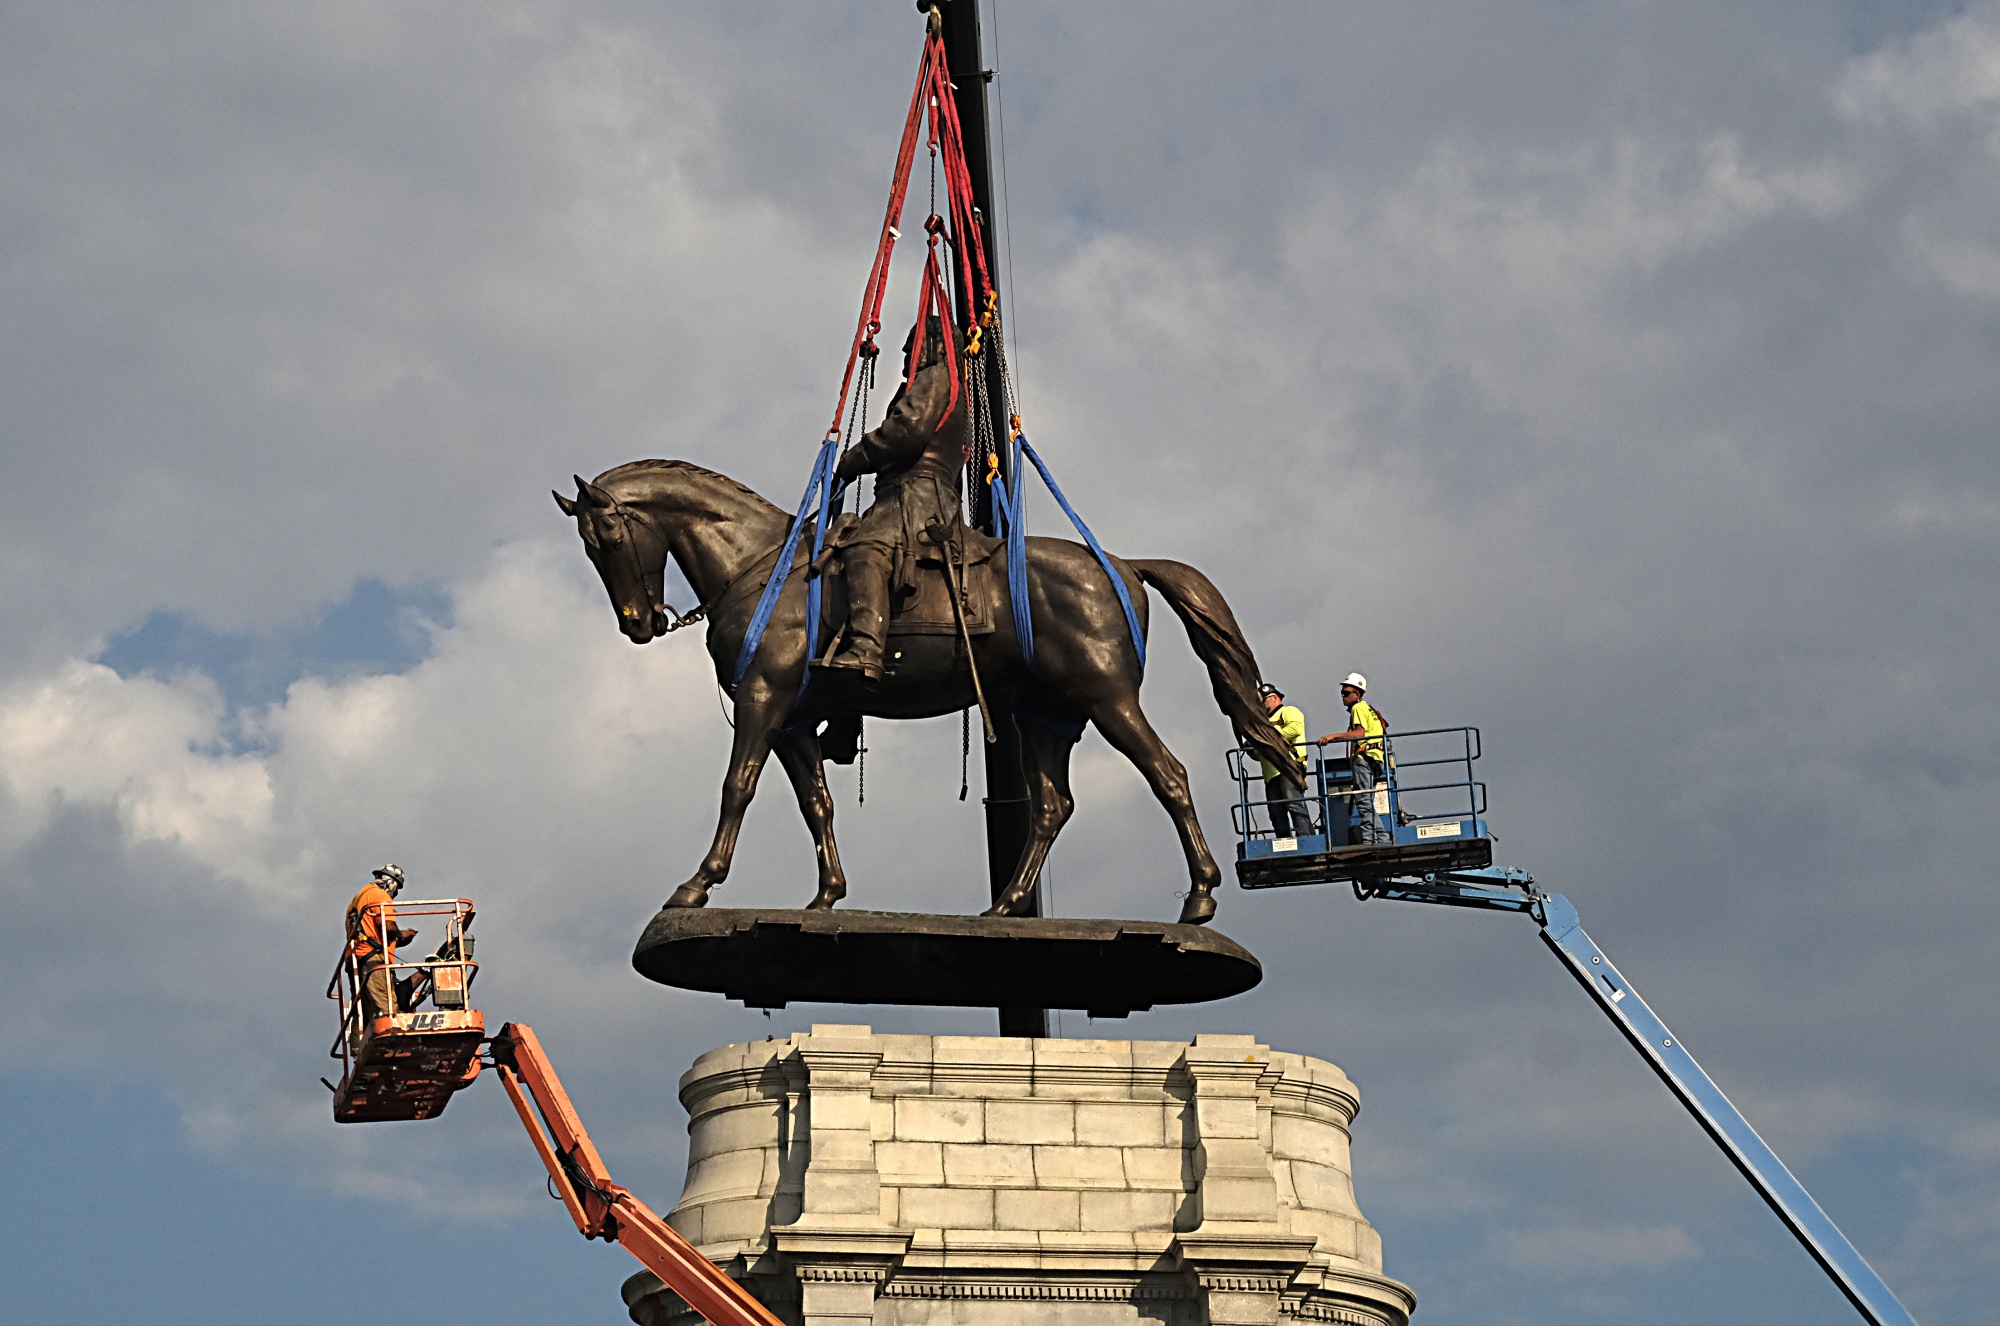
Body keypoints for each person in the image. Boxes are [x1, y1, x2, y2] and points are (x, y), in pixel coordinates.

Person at [819, 318, 972, 681]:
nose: (904, 353)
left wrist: (854, 458)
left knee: (864, 549)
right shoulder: (951, 387)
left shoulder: (936, 379)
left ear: (934, 346)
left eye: (912, 345)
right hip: (921, 495)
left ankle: (866, 649)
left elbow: (907, 430)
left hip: (914, 498)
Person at [1317, 673, 1389, 845]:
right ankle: (1380, 838)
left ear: (1357, 694)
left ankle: (1373, 840)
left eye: (1347, 693)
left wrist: (1333, 736)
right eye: (1342, 692)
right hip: (1377, 758)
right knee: (1367, 802)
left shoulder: (1358, 708)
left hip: (1365, 758)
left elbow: (1359, 733)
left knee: (1364, 802)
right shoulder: (1369, 709)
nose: (1343, 696)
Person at [346, 864, 418, 1024]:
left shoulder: (360, 897)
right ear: (391, 882)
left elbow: (371, 933)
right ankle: (394, 1040)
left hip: (356, 959)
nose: (395, 893)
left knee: (363, 1012)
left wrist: (397, 941)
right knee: (387, 1010)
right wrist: (402, 934)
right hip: (373, 961)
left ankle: (358, 1047)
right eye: (397, 888)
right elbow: (389, 929)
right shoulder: (380, 896)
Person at [1256, 683, 1313, 838]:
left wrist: (1268, 738)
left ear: (1274, 698)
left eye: (1263, 701)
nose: (1261, 705)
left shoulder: (1289, 711)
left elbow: (1296, 728)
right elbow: (1257, 754)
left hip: (1290, 767)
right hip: (1271, 774)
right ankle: (1284, 841)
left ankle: (1305, 838)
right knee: (1275, 811)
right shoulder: (1262, 724)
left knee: (1293, 803)